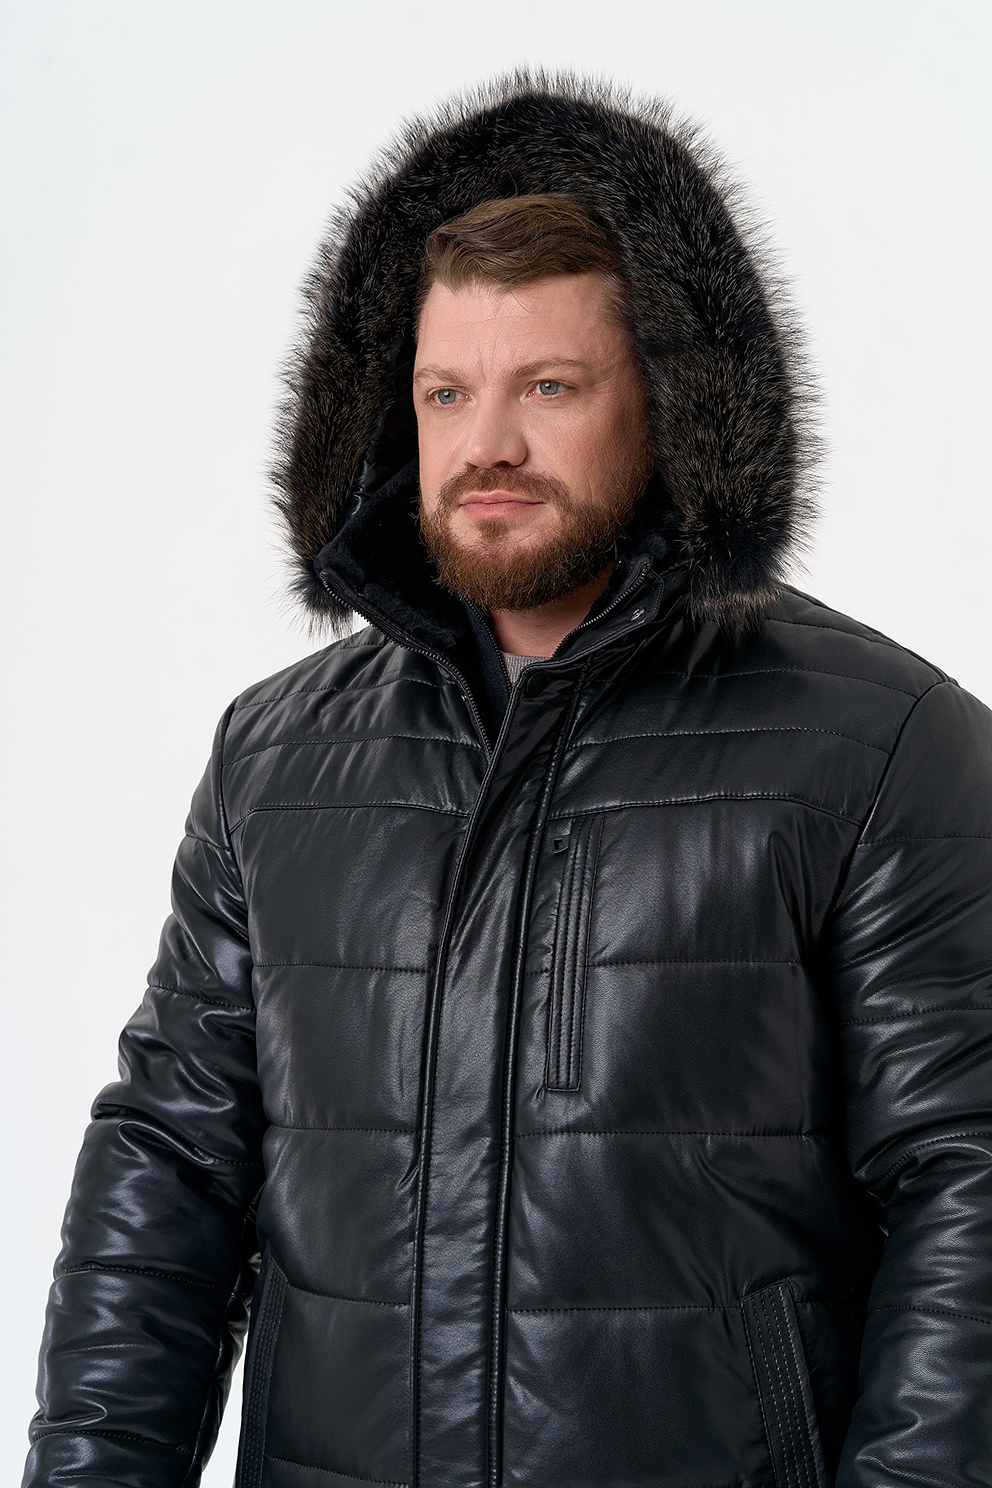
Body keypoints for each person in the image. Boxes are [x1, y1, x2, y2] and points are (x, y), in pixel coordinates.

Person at [24, 74, 992, 1488]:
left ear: (666, 401)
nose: (486, 444)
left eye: (549, 387)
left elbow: (969, 1181)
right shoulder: (275, 758)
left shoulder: (881, 744)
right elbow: (169, 1166)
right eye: (446, 393)